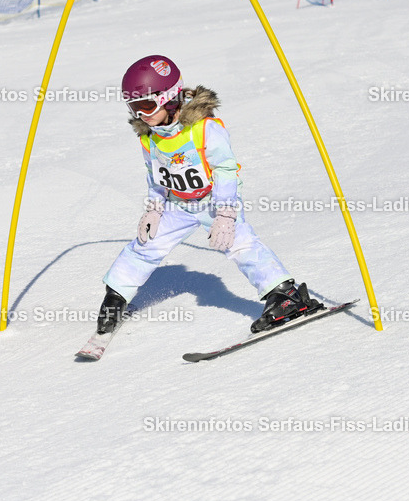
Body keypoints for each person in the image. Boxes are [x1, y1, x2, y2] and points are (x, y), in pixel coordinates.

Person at [97, 55, 321, 336]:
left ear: (169, 98)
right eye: (134, 107)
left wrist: (226, 214)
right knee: (145, 244)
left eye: (146, 105)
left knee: (239, 243)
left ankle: (286, 296)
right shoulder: (150, 137)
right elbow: (155, 177)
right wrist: (154, 209)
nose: (140, 115)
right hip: (176, 204)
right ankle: (116, 296)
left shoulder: (204, 129)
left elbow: (226, 170)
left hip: (212, 202)